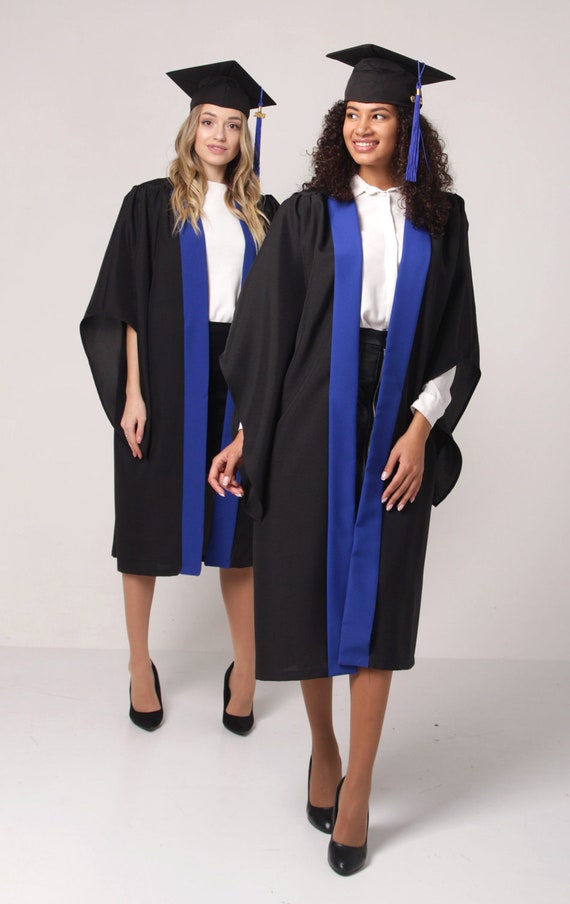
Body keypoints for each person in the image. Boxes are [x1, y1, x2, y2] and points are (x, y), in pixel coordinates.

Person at [209, 44, 480, 873]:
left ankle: (357, 784)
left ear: (409, 125)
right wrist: (249, 431)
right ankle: (323, 748)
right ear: (341, 125)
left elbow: (457, 337)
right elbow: (267, 331)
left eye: (380, 114)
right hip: (307, 419)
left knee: (380, 601)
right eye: (353, 114)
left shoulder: (444, 217)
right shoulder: (307, 212)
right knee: (310, 593)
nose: (363, 126)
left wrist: (421, 428)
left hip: (395, 417)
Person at [81, 61, 278, 734]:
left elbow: (282, 316)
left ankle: (246, 670)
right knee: (144, 525)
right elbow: (127, 303)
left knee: (241, 532)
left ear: (245, 135)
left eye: (232, 124)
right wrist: (132, 393)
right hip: (165, 380)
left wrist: (259, 408)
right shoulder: (149, 202)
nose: (218, 134)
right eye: (208, 121)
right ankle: (140, 666)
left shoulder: (266, 214)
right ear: (190, 125)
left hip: (239, 383)